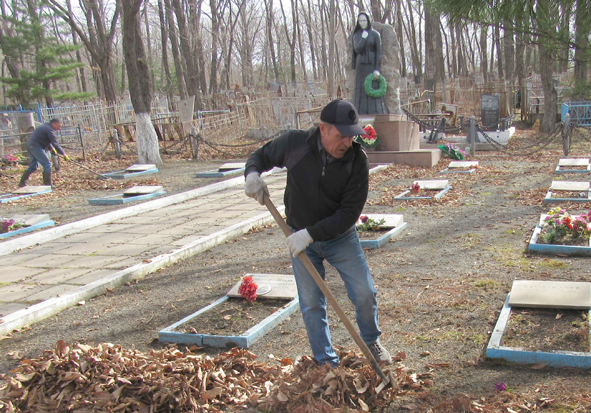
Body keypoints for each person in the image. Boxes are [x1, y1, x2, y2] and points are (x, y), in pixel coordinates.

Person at [244, 99, 392, 367]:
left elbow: (349, 213)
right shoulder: (295, 144)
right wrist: (252, 174)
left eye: (351, 136)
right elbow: (260, 156)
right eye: (341, 135)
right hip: (301, 238)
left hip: (340, 238)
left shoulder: (357, 160)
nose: (346, 142)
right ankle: (326, 362)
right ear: (323, 129)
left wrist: (310, 234)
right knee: (312, 303)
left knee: (364, 293)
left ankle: (372, 341)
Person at [352, 12, 387, 115]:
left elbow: (378, 53)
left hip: (372, 65)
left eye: (364, 20)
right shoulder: (357, 35)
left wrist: (377, 69)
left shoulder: (375, 34)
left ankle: (375, 111)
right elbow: (357, 49)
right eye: (360, 21)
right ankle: (360, 112)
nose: (362, 23)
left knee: (373, 86)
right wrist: (363, 38)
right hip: (360, 66)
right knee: (361, 88)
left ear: (368, 21)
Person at [18, 118, 70, 188]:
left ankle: (22, 183)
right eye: (59, 126)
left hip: (33, 145)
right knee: (47, 164)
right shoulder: (49, 129)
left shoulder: (46, 127)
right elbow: (55, 143)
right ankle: (48, 185)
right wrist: (64, 154)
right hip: (35, 146)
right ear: (54, 124)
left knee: (33, 166)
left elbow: (46, 139)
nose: (59, 129)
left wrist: (51, 148)